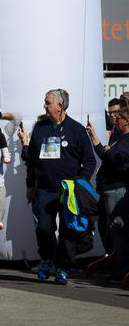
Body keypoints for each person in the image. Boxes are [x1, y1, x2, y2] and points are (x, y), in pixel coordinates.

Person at [20, 88, 97, 285]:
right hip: (44, 189)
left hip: (68, 192)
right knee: (44, 228)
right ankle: (47, 258)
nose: (44, 106)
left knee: (67, 232)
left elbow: (89, 162)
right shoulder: (40, 128)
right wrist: (30, 185)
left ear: (60, 106)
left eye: (48, 102)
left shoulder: (77, 130)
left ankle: (62, 267)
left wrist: (79, 184)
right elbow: (32, 161)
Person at [88, 100, 129, 280]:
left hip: (117, 189)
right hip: (107, 189)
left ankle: (122, 270)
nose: (115, 119)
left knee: (117, 230)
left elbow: (114, 158)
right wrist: (95, 139)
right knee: (105, 227)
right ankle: (115, 265)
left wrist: (107, 151)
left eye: (118, 117)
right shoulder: (117, 137)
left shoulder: (127, 140)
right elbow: (106, 156)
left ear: (127, 121)